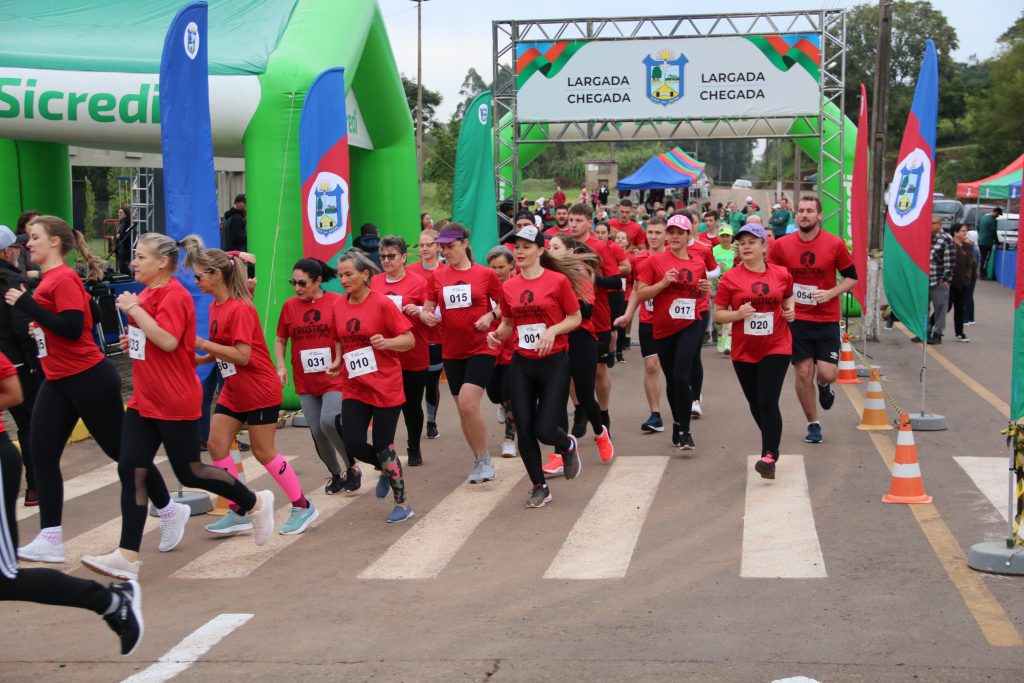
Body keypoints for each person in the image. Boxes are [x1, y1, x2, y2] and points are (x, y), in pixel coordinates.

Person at [80, 234, 276, 581]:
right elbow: (155, 339)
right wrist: (133, 339)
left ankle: (255, 502)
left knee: (190, 472)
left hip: (174, 398)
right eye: (135, 256)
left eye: (141, 257)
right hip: (144, 397)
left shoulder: (174, 295)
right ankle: (127, 554)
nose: (133, 262)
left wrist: (134, 311)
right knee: (131, 468)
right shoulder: (145, 295)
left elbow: (169, 341)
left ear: (162, 263)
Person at [4, 215, 180, 563]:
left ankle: (170, 509)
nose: (28, 244)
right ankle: (50, 538)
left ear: (55, 241)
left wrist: (28, 306)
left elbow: (73, 329)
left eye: (35, 237)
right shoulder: (50, 279)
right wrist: (39, 324)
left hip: (88, 378)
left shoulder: (64, 278)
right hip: (58, 379)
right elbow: (80, 320)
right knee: (41, 453)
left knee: (122, 453)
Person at [0, 351, 143, 655]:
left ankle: (112, 602)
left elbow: (12, 392)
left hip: (87, 380)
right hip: (65, 380)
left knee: (4, 578)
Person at [183, 236, 317, 537]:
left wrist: (202, 344)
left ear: (217, 274)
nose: (196, 282)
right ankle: (239, 509)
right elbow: (223, 345)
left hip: (259, 389)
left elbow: (242, 355)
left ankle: (303, 505)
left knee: (263, 452)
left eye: (199, 276)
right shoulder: (217, 306)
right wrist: (202, 358)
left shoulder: (240, 308)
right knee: (216, 445)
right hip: (234, 388)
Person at [487, 224, 584, 507]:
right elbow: (508, 323)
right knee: (525, 428)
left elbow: (575, 317)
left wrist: (553, 330)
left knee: (545, 429)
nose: (520, 252)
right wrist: (496, 335)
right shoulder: (509, 286)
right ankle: (539, 486)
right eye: (517, 247)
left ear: (541, 250)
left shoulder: (557, 281)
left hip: (554, 362)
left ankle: (567, 444)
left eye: (526, 247)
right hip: (522, 362)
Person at [330, 249, 415, 523]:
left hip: (385, 385)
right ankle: (386, 468)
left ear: (365, 274)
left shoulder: (381, 303)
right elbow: (339, 337)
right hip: (355, 385)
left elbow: (409, 339)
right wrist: (337, 359)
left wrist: (387, 343)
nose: (344, 280)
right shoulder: (338, 306)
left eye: (349, 274)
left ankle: (402, 503)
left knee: (382, 445)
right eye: (341, 275)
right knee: (353, 442)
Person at [768, 197, 857, 444]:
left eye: (809, 211)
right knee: (803, 371)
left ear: (820, 215)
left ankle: (825, 385)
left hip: (826, 318)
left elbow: (852, 278)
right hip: (796, 319)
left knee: (827, 373)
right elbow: (771, 276)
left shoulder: (835, 244)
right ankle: (813, 423)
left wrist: (831, 293)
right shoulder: (781, 245)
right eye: (800, 210)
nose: (804, 214)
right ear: (795, 215)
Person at [420, 224, 504, 483]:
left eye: (450, 246)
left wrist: (490, 315)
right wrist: (426, 316)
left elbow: (505, 304)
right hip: (452, 350)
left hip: (482, 346)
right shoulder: (437, 277)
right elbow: (427, 309)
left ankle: (485, 460)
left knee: (468, 402)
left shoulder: (485, 274)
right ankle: (479, 459)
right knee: (463, 409)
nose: (446, 252)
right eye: (443, 248)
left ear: (464, 244)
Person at [714, 222, 796, 479]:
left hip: (777, 345)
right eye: (742, 243)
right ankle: (772, 438)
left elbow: (788, 295)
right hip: (744, 349)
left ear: (764, 246)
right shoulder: (730, 278)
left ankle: (769, 455)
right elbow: (718, 314)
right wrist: (737, 314)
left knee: (768, 400)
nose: (746, 247)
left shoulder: (781, 274)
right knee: (756, 403)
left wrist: (790, 310)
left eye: (752, 242)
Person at [275, 257, 360, 494]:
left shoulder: (337, 302)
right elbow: (280, 339)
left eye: (302, 283)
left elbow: (347, 334)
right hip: (305, 379)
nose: (297, 288)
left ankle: (352, 466)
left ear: (318, 281)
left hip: (334, 376)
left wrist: (341, 359)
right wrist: (281, 366)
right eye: (294, 282)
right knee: (317, 431)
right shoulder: (289, 306)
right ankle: (336, 474)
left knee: (329, 422)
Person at [635, 214, 710, 450]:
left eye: (680, 233)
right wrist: (662, 284)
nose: (675, 236)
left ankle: (686, 432)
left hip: (689, 325)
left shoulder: (698, 263)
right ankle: (677, 422)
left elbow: (701, 294)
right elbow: (641, 293)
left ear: (689, 235)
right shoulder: (655, 261)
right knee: (672, 380)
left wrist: (703, 290)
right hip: (663, 327)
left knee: (680, 377)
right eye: (672, 232)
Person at [546, 233, 614, 474]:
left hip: (581, 339)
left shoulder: (582, 272)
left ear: (570, 251)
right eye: (549, 246)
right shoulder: (546, 275)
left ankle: (600, 433)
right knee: (557, 396)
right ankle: (560, 454)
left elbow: (585, 311)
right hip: (556, 340)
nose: (550, 250)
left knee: (585, 396)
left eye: (556, 247)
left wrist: (557, 306)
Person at [564, 203, 629, 435]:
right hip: (568, 316)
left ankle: (603, 414)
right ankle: (579, 409)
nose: (573, 224)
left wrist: (590, 278)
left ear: (589, 222)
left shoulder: (599, 247)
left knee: (599, 370)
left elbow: (616, 281)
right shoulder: (562, 245)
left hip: (597, 316)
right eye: (571, 220)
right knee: (570, 369)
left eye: (578, 220)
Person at [372, 235, 432, 467]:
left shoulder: (419, 283)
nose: (386, 260)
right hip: (385, 355)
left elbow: (430, 315)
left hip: (413, 353)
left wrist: (418, 310)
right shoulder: (375, 282)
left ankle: (414, 446)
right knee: (384, 406)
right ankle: (384, 452)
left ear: (404, 257)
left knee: (411, 405)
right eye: (383, 257)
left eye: (391, 256)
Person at [613, 215, 667, 433]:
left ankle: (685, 405)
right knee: (652, 366)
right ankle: (655, 414)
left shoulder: (674, 257)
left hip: (674, 322)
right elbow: (636, 289)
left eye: (658, 232)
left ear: (666, 235)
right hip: (648, 320)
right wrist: (628, 315)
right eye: (650, 232)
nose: (653, 236)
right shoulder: (639, 259)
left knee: (677, 371)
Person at [0, 227, 40, 505]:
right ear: (6, 252)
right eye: (16, 247)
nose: (19, 251)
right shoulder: (13, 281)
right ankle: (35, 487)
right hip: (14, 365)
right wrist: (33, 362)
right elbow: (21, 327)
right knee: (29, 425)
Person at [408, 228, 444, 439]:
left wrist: (427, 311)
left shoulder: (446, 272)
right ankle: (414, 424)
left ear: (438, 246)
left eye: (429, 245)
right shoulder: (409, 271)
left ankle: (431, 420)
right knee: (413, 385)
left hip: (437, 335)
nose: (424, 249)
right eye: (421, 245)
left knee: (431, 382)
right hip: (413, 336)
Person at [485, 246, 518, 458]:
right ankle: (502, 405)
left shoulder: (517, 285)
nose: (497, 271)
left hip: (513, 344)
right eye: (493, 267)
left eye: (501, 267)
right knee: (494, 393)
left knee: (509, 394)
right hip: (490, 344)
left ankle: (509, 438)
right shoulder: (484, 285)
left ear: (511, 266)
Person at [922, 215, 955, 345]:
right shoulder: (925, 237)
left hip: (938, 280)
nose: (931, 225)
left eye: (934, 223)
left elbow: (950, 261)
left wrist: (945, 279)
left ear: (940, 225)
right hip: (924, 280)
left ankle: (937, 333)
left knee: (940, 308)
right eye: (929, 223)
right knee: (923, 309)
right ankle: (924, 332)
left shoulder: (946, 239)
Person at [947, 223, 976, 343]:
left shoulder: (968, 246)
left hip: (963, 282)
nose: (965, 233)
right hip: (950, 282)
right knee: (946, 307)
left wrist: (969, 277)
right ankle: (931, 325)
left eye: (966, 231)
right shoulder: (950, 245)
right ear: (955, 232)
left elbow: (971, 264)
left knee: (960, 308)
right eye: (962, 231)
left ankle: (959, 333)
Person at [712, 226, 737, 355]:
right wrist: (716, 268)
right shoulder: (714, 251)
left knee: (730, 311)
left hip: (732, 285)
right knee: (717, 316)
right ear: (718, 237)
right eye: (722, 236)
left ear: (732, 237)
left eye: (728, 236)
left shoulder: (735, 250)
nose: (725, 238)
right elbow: (708, 268)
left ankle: (728, 340)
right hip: (716, 285)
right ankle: (720, 335)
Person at [976, 207, 1001, 280]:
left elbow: (978, 227)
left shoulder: (983, 217)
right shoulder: (993, 220)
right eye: (998, 214)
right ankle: (983, 274)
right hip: (987, 242)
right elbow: (994, 232)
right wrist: (997, 242)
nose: (998, 216)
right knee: (986, 258)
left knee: (982, 257)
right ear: (995, 212)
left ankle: (980, 272)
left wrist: (981, 235)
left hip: (980, 241)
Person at [113, 207, 133, 275]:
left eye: (121, 212)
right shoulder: (121, 222)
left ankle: (129, 276)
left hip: (126, 248)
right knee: (121, 266)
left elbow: (129, 234)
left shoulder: (128, 222)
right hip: (119, 247)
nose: (119, 214)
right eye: (119, 212)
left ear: (126, 214)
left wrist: (120, 236)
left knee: (123, 266)